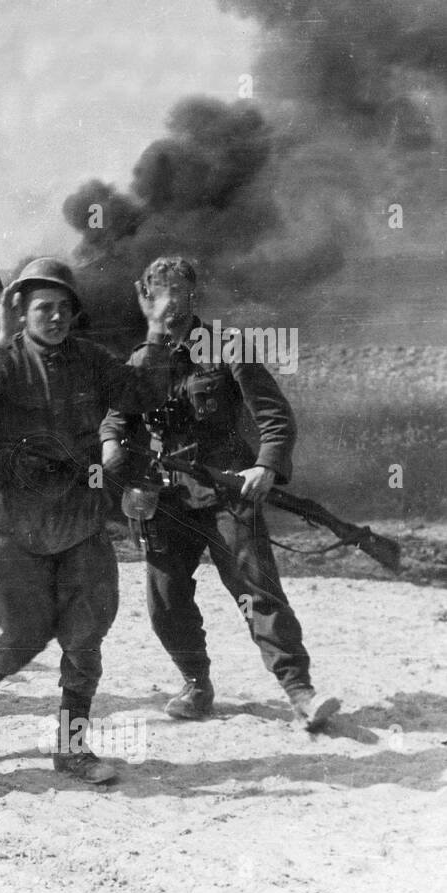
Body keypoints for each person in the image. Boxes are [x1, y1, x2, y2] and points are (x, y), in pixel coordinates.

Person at [0, 258, 172, 784]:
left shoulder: (90, 360)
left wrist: (158, 331)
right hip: (16, 520)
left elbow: (143, 393)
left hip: (79, 515)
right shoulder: (2, 356)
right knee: (24, 635)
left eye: (63, 308)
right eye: (42, 308)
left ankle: (71, 751)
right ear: (21, 313)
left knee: (85, 637)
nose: (54, 317)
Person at [99, 256, 337, 730]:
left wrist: (265, 467)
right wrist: (110, 447)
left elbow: (276, 420)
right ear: (145, 299)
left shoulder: (229, 348)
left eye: (177, 291)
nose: (168, 303)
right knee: (165, 601)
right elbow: (116, 418)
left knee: (257, 592)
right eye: (158, 293)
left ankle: (300, 692)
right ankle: (195, 684)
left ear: (193, 295)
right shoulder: (143, 361)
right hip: (166, 500)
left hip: (227, 495)